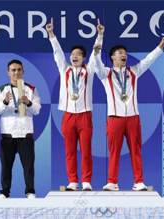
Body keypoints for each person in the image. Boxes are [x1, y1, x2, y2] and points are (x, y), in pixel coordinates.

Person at [92, 35, 164, 191]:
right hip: (114, 118)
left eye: (125, 53)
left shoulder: (133, 71)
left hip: (133, 118)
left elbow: (148, 60)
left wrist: (160, 46)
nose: (124, 55)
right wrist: (99, 41)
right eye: (120, 52)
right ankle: (112, 181)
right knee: (114, 151)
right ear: (113, 57)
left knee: (136, 150)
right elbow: (96, 63)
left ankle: (139, 181)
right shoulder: (106, 74)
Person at [45, 18, 104, 191]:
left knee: (86, 150)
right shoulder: (65, 69)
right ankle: (73, 181)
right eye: (72, 54)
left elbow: (96, 54)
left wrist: (100, 35)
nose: (75, 56)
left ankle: (86, 181)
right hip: (68, 115)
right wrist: (51, 34)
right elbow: (57, 52)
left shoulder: (89, 70)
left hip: (85, 115)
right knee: (70, 151)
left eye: (78, 54)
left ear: (83, 58)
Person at [0, 59, 41, 199]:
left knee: (29, 165)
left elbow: (37, 110)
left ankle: (30, 191)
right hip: (8, 133)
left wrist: (28, 102)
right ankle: (4, 191)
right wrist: (5, 102)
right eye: (13, 70)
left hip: (26, 133)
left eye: (19, 70)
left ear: (23, 71)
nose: (16, 72)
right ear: (8, 73)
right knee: (6, 166)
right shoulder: (1, 90)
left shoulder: (31, 89)